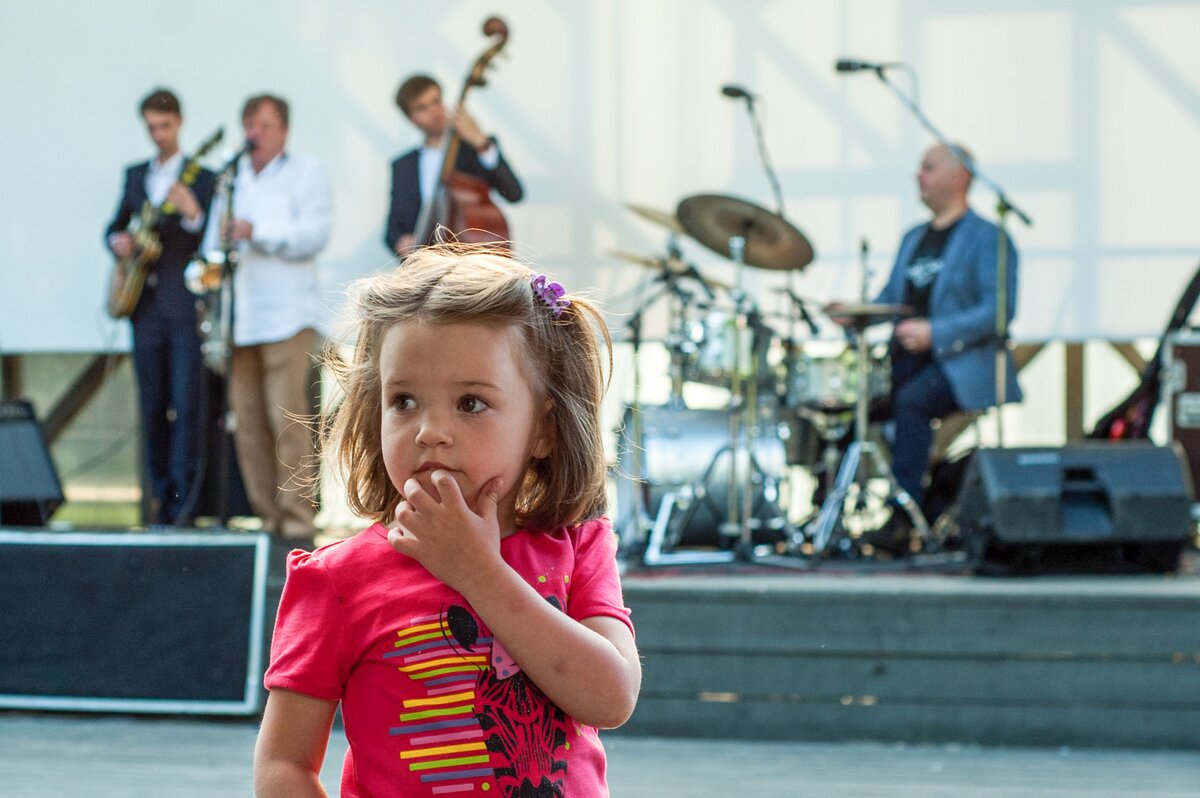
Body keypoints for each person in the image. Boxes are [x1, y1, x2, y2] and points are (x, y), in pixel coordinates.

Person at [254, 245, 641, 797]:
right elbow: (283, 764)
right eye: (404, 401)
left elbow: (611, 698)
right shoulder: (335, 580)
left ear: (544, 429)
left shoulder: (579, 547)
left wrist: (478, 572)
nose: (430, 431)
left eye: (471, 403)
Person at [835, 142, 1021, 552]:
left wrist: (936, 332)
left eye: (929, 168)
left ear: (959, 177)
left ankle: (904, 519)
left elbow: (998, 311)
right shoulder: (913, 238)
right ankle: (828, 513)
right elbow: (891, 298)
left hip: (961, 364)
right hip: (906, 361)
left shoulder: (988, 237)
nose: (919, 176)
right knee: (848, 405)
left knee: (912, 403)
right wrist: (856, 314)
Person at [200, 94, 332, 546]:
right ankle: (267, 519)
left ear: (284, 131)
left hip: (288, 318)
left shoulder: (306, 172)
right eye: (250, 125)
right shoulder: (231, 179)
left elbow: (315, 235)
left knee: (287, 421)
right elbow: (210, 245)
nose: (255, 133)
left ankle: (297, 523)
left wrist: (259, 233)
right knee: (249, 425)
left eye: (265, 125)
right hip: (241, 320)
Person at [105, 88, 216, 526]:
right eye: (151, 127)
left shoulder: (200, 177)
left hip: (183, 307)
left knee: (186, 407)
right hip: (144, 308)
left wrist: (193, 214)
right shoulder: (136, 175)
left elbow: (210, 239)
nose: (158, 135)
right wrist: (118, 241)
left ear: (179, 123)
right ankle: (158, 501)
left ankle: (184, 506)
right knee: (152, 407)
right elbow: (114, 225)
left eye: (165, 126)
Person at [384, 74, 523, 255]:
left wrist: (480, 142)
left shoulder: (474, 150)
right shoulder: (403, 167)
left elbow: (513, 193)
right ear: (411, 118)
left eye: (436, 101)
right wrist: (400, 242)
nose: (434, 111)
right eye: (422, 108)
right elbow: (392, 229)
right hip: (428, 263)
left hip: (474, 258)